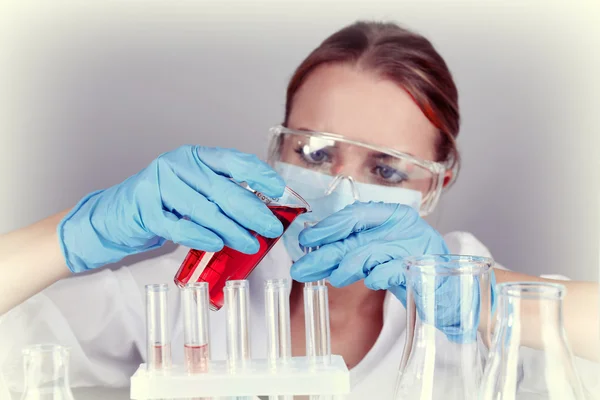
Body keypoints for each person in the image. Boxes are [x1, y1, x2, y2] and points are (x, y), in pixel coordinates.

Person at [0, 21, 598, 398]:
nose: (339, 188)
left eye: (386, 169)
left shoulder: (466, 288)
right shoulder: (204, 282)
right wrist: (74, 232)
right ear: (276, 147)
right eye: (314, 152)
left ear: (437, 184)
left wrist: (489, 300)